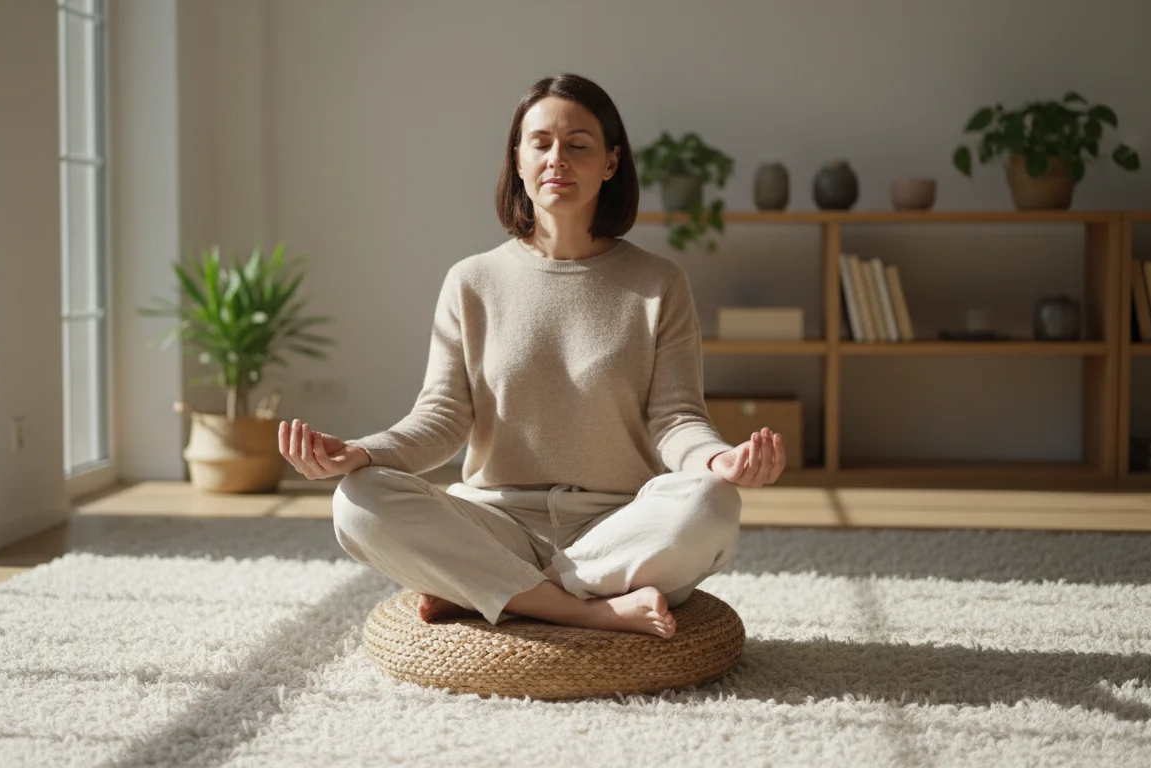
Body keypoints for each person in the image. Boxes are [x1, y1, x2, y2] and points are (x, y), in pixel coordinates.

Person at [278, 72, 785, 640]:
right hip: (494, 521)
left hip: (617, 526)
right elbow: (441, 419)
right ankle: (579, 606)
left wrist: (718, 460)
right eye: (540, 143)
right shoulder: (472, 281)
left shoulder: (659, 283)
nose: (557, 159)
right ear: (517, 160)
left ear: (610, 163)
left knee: (712, 504)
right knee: (358, 501)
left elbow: (676, 417)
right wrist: (359, 454)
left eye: (578, 145)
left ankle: (493, 591)